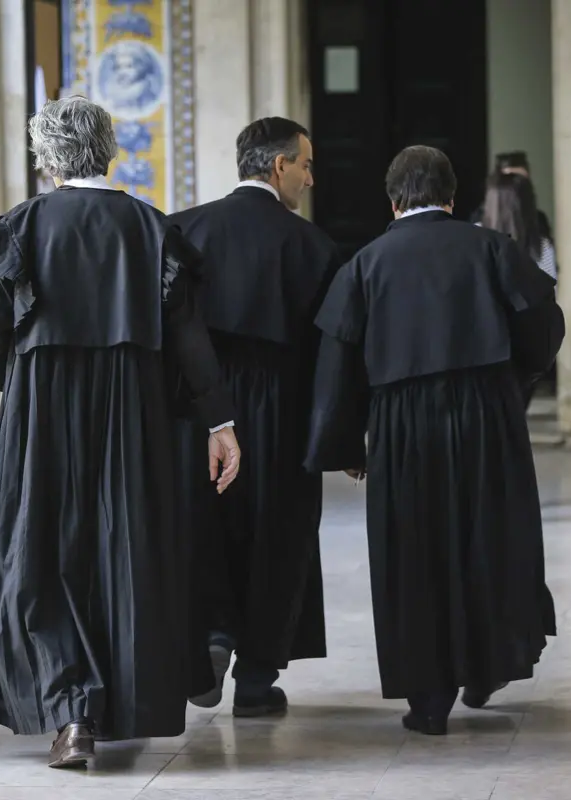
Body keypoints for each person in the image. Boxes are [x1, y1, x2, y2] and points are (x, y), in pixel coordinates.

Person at [0, 97, 242, 769]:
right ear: (109, 151)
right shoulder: (149, 228)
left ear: (49, 160)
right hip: (130, 410)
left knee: (40, 548)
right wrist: (218, 421)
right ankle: (111, 702)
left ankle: (71, 712)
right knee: (124, 547)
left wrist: (22, 381)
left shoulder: (24, 226)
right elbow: (188, 339)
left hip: (44, 408)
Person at [304, 145, 564, 736]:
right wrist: (512, 377)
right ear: (450, 196)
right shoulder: (493, 249)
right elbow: (543, 325)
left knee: (412, 551)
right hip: (486, 416)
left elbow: (337, 360)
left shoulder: (365, 264)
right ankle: (487, 666)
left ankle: (427, 699)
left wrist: (344, 444)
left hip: (401, 424)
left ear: (393, 201)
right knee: (488, 536)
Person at [168, 117, 340, 717]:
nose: (311, 179)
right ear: (279, 167)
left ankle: (211, 637)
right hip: (284, 408)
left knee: (206, 524)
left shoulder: (184, 230)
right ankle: (258, 680)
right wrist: (338, 436)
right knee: (280, 534)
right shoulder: (313, 247)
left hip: (201, 405)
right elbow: (331, 352)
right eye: (307, 165)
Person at [479, 172, 558, 408]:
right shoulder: (540, 246)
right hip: (524, 344)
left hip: (482, 343)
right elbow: (549, 297)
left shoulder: (471, 238)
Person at [469, 151, 553, 243]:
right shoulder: (479, 221)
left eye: (520, 180)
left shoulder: (539, 220)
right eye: (509, 180)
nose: (515, 186)